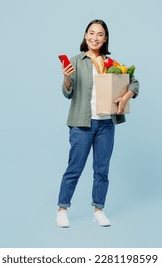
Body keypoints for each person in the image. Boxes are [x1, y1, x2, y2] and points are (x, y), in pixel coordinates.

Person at [56, 19, 139, 227]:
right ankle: (62, 208)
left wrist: (126, 96)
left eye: (100, 34)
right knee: (74, 167)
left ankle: (98, 210)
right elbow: (68, 92)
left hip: (106, 125)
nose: (95, 37)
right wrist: (66, 79)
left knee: (102, 169)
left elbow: (134, 82)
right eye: (91, 33)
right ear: (85, 36)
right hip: (81, 124)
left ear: (105, 39)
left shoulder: (112, 64)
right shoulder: (75, 61)